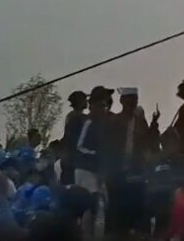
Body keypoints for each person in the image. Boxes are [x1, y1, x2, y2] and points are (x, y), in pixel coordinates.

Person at [106, 87, 152, 240]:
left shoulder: (140, 122)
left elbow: (148, 142)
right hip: (117, 174)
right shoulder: (115, 121)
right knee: (117, 214)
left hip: (137, 173)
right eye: (130, 99)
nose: (133, 102)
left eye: (135, 99)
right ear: (122, 101)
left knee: (138, 211)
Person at [75, 85, 116, 240]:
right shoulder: (89, 122)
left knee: (101, 205)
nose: (103, 109)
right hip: (85, 170)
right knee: (90, 205)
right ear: (92, 105)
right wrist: (98, 156)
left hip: (98, 172)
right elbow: (80, 147)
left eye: (105, 105)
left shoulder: (105, 123)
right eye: (100, 105)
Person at [61, 91, 89, 186]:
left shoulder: (71, 116)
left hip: (70, 159)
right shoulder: (77, 117)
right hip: (74, 161)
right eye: (85, 99)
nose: (87, 102)